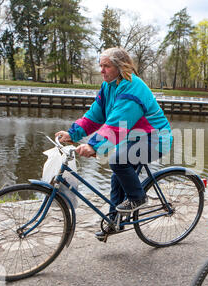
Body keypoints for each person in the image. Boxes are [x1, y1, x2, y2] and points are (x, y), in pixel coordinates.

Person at [55, 47, 173, 240]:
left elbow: (118, 123)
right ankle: (115, 221)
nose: (102, 70)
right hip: (134, 138)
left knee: (118, 160)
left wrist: (93, 145)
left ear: (120, 66)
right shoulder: (108, 86)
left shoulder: (133, 87)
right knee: (117, 176)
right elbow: (95, 116)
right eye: (100, 66)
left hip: (156, 139)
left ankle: (138, 198)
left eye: (106, 66)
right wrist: (72, 133)